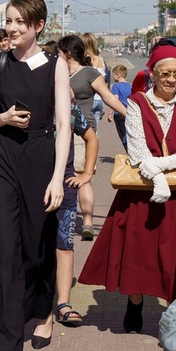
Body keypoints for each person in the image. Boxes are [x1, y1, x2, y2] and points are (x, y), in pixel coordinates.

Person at [80, 44, 176, 338]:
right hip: (141, 189)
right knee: (141, 252)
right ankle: (136, 299)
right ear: (152, 73)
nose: (171, 80)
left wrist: (163, 168)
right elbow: (138, 148)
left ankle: (173, 309)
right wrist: (159, 178)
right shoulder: (138, 103)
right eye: (165, 73)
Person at [0, 0, 71, 351]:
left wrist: (56, 178)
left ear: (38, 27)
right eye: (9, 20)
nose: (13, 28)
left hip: (39, 157)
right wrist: (3, 117)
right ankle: (11, 348)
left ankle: (45, 310)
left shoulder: (56, 65)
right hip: (1, 157)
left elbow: (65, 126)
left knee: (36, 246)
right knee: (3, 247)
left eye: (20, 22)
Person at [57, 35, 128, 240]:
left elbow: (107, 97)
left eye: (59, 52)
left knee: (82, 178)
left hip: (82, 132)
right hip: (58, 131)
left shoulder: (89, 72)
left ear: (68, 53)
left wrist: (129, 115)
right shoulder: (57, 72)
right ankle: (63, 217)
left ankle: (87, 222)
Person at [54, 102, 98, 327]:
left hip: (65, 187)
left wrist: (87, 174)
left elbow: (92, 138)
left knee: (64, 245)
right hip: (28, 188)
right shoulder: (21, 101)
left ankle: (63, 303)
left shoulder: (70, 109)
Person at [80, 33, 107, 131]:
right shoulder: (100, 59)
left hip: (89, 99)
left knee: (86, 132)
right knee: (94, 131)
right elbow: (103, 81)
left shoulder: (84, 60)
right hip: (99, 100)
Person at [107, 65, 132, 150]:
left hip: (119, 114)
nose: (113, 77)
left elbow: (115, 100)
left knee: (122, 134)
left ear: (118, 75)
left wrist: (110, 113)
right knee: (129, 133)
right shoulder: (130, 86)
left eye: (113, 75)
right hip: (129, 113)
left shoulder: (116, 86)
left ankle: (128, 152)